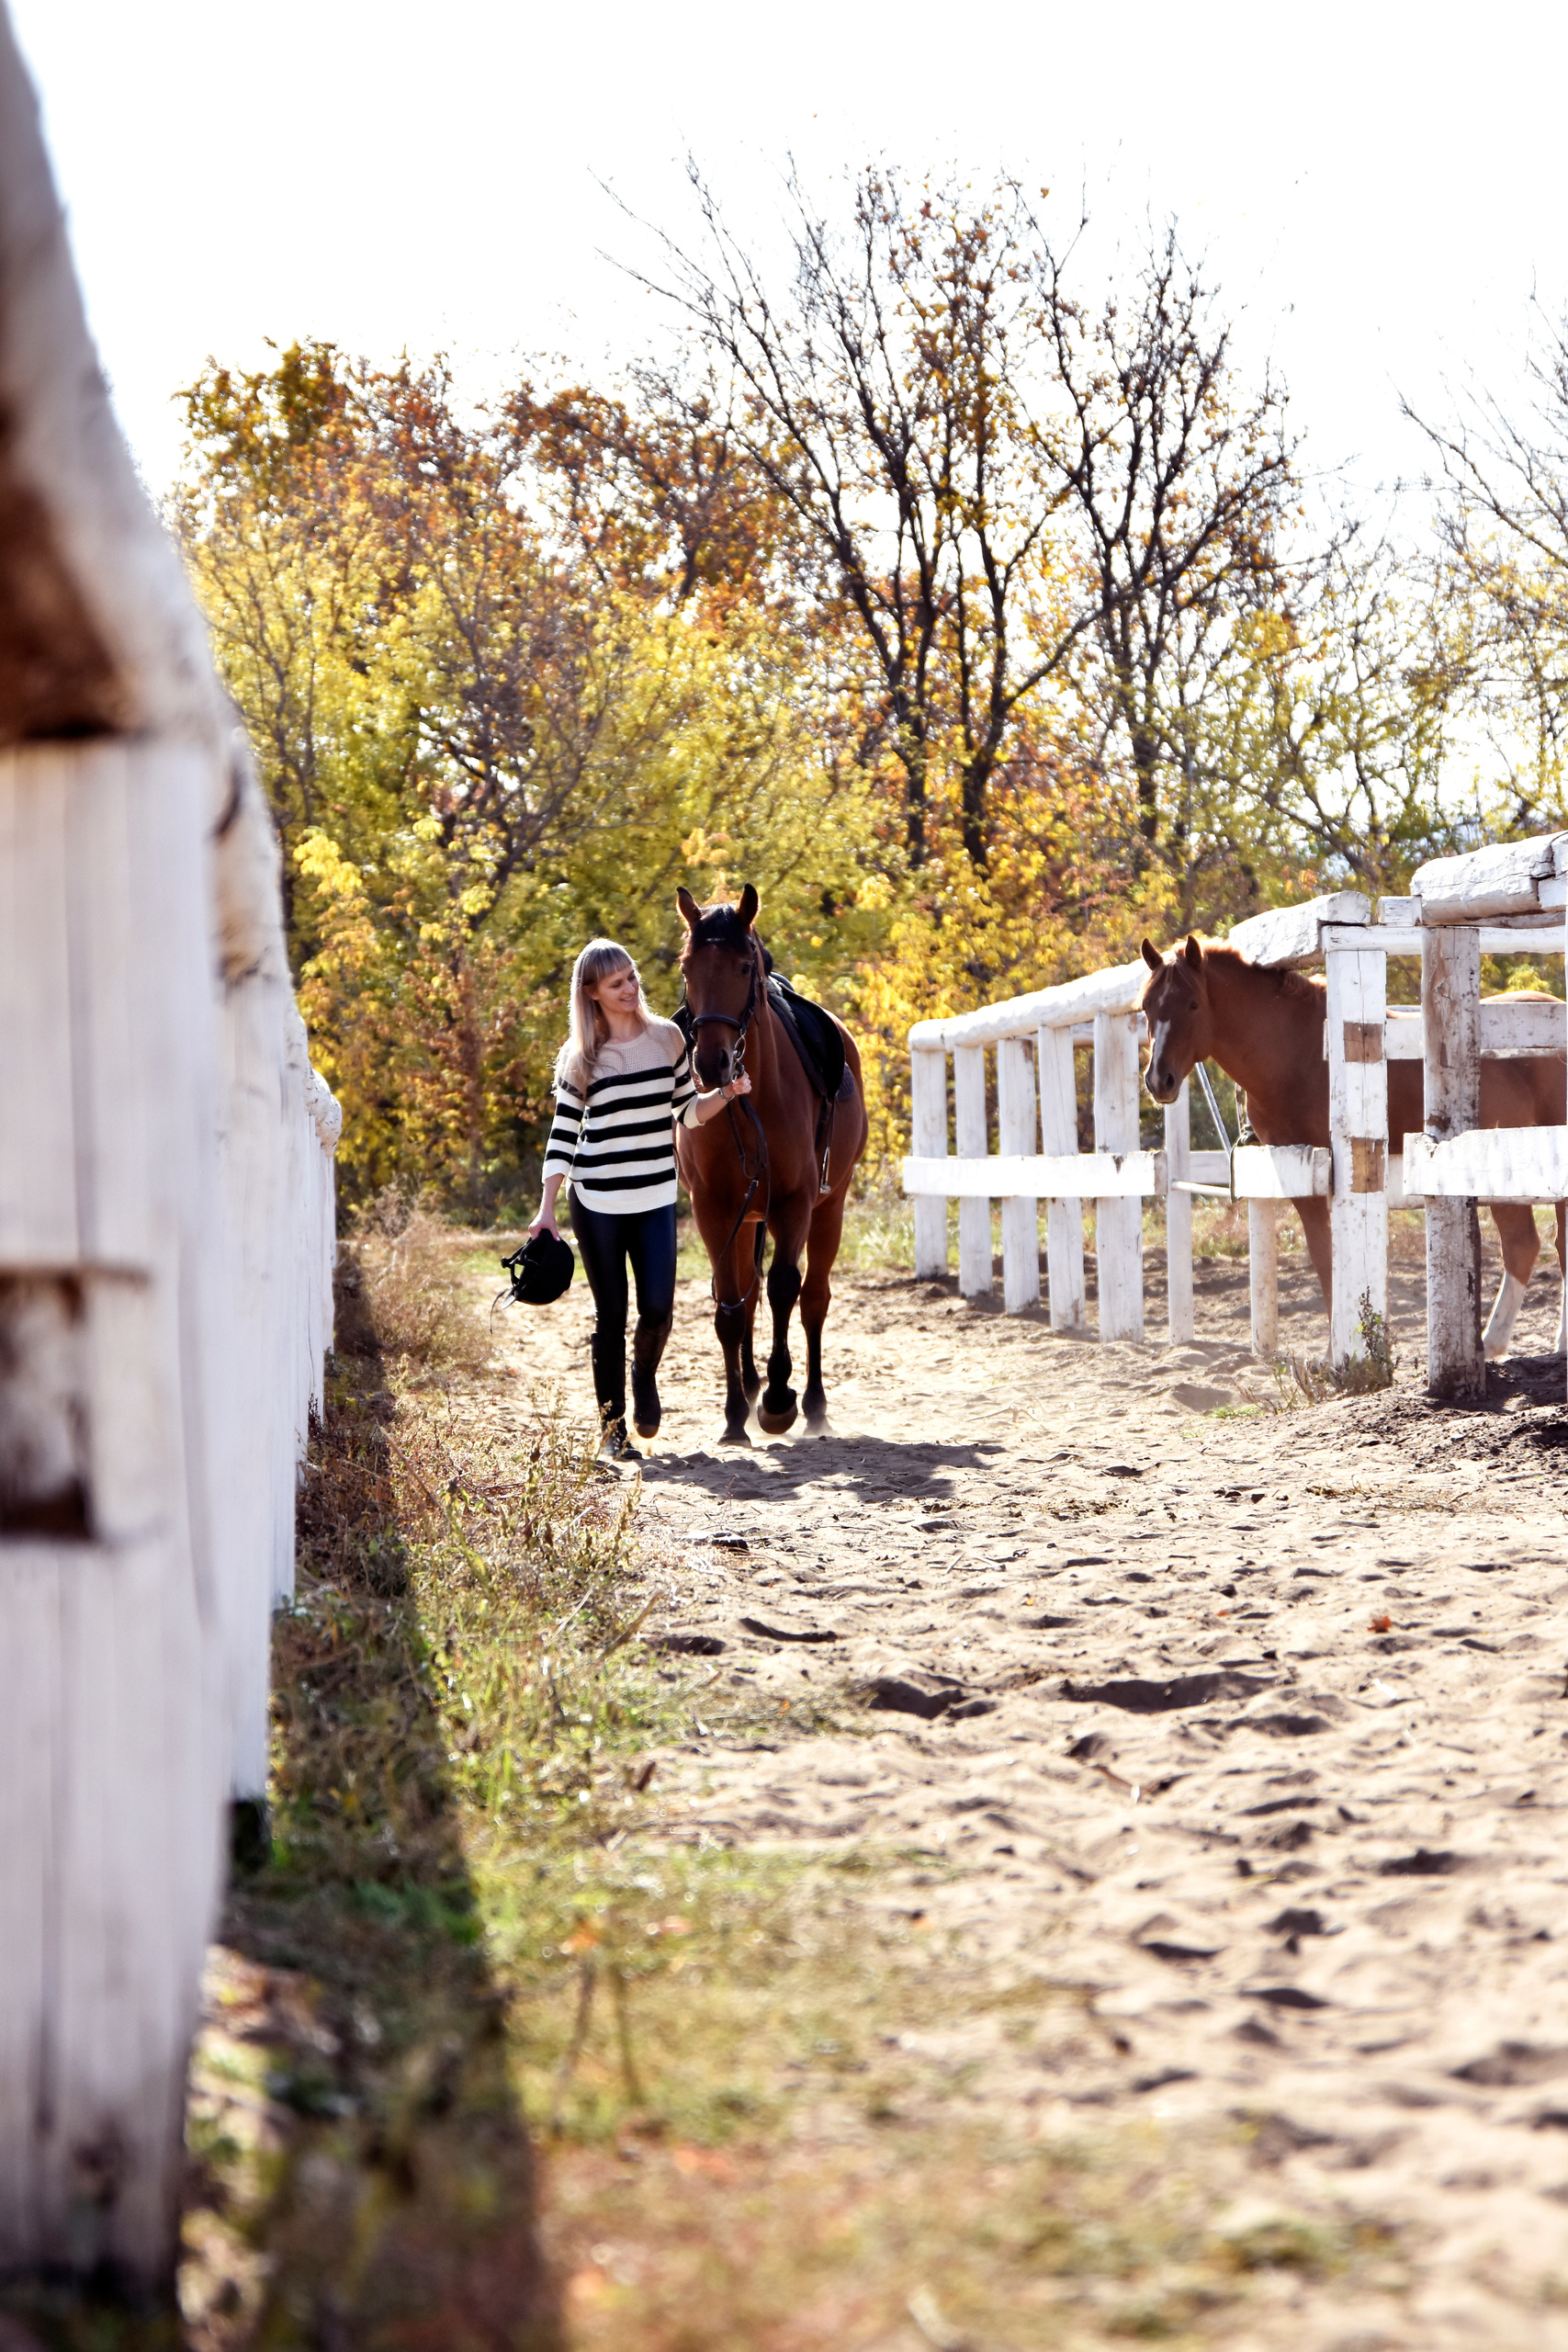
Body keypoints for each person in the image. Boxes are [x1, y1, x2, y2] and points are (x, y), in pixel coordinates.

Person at [529, 938, 750, 1456]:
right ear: (592, 993)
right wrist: (546, 1209)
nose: (630, 988)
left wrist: (726, 1094)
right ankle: (613, 1432)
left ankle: (643, 1373)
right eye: (616, 983)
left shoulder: (668, 1038)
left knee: (657, 1310)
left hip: (655, 1196)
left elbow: (686, 1112)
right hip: (597, 1202)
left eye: (631, 977)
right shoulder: (581, 1057)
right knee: (611, 1315)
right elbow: (563, 1135)